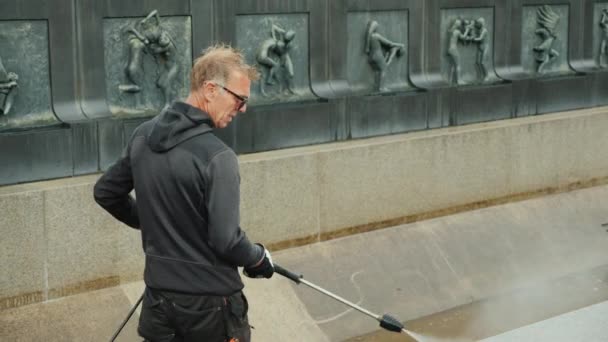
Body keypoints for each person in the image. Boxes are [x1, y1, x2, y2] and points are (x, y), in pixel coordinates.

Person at [94, 44, 274, 342]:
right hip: (212, 309)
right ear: (210, 89)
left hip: (159, 303)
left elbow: (106, 193)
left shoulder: (143, 136)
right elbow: (227, 241)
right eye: (240, 99)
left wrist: (155, 221)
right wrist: (258, 257)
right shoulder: (219, 157)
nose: (243, 109)